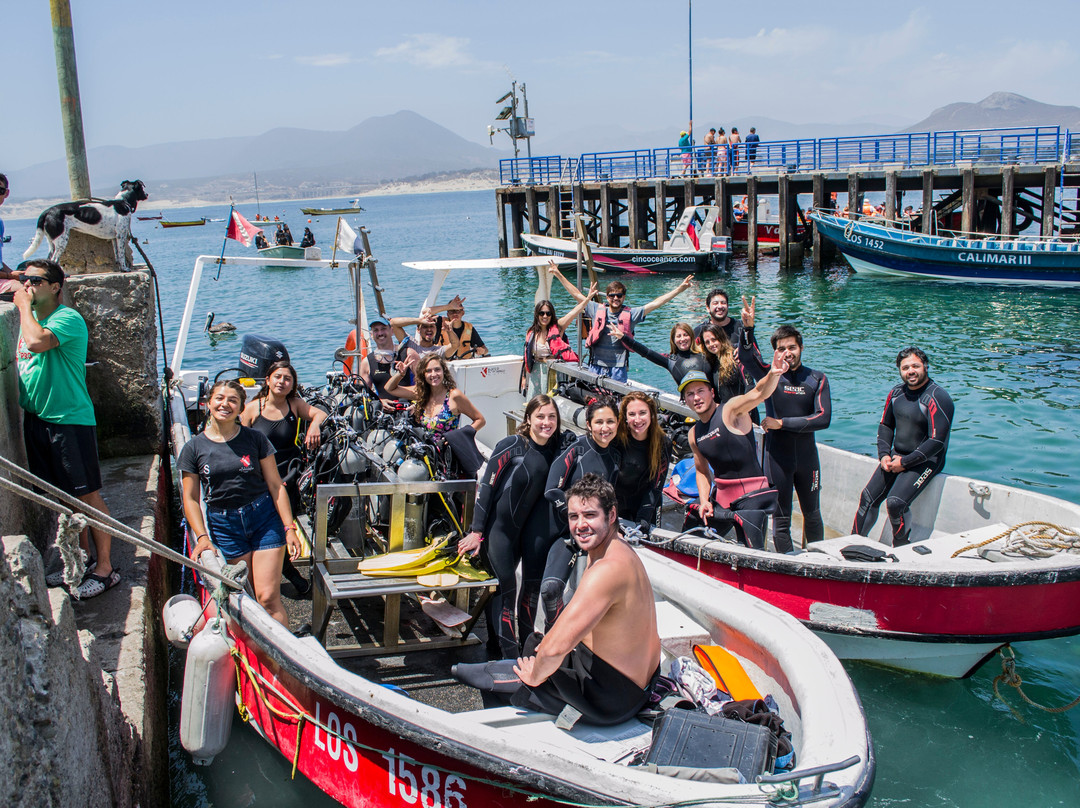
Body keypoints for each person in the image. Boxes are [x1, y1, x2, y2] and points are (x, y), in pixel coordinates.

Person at [15, 259, 118, 598]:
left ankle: (106, 569)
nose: (27, 285)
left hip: (68, 419)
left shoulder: (66, 318)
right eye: (24, 279)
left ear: (55, 286)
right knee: (63, 496)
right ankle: (81, 559)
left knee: (87, 495)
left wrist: (22, 305)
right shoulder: (31, 320)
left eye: (35, 281)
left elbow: (36, 343)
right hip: (38, 419)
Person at [181, 380, 300, 628]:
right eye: (219, 398)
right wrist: (202, 537)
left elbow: (276, 486)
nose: (225, 404)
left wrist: (289, 528)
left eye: (233, 400)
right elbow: (190, 498)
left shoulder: (255, 439)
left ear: (241, 408)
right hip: (225, 526)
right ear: (208, 403)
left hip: (264, 519)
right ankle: (256, 646)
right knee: (248, 597)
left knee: (268, 598)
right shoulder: (193, 448)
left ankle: (282, 651)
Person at [458, 395, 562, 658]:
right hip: (499, 532)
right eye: (540, 416)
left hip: (526, 535)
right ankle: (509, 658)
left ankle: (518, 650)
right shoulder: (512, 445)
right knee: (506, 592)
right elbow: (487, 486)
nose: (546, 422)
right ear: (528, 419)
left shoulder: (556, 448)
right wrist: (476, 531)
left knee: (526, 592)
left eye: (551, 417)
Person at [683, 352, 787, 550]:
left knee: (751, 553)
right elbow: (702, 471)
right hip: (722, 497)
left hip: (752, 497)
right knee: (690, 536)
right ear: (685, 401)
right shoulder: (694, 434)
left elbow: (758, 393)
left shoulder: (731, 410)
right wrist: (704, 501)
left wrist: (773, 374)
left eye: (700, 391)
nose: (696, 397)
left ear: (712, 392)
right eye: (690, 394)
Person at [240, 360, 327, 595]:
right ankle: (292, 577)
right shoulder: (252, 409)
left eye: (287, 379)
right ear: (268, 380)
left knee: (281, 527)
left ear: (292, 384)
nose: (282, 382)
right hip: (261, 477)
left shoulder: (294, 405)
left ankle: (284, 575)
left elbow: (320, 413)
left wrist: (314, 426)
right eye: (277, 377)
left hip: (289, 475)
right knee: (271, 528)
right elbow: (239, 442)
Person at [852, 347, 954, 547]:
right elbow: (886, 426)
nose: (911, 371)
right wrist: (883, 455)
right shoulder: (896, 393)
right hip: (896, 456)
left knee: (895, 503)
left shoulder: (938, 397)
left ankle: (900, 548)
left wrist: (905, 463)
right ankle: (852, 543)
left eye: (915, 366)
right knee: (867, 497)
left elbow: (937, 441)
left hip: (927, 460)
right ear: (899, 370)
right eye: (905, 368)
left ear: (925, 366)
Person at [538, 398, 621, 627]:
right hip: (565, 533)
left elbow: (610, 502)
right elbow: (552, 490)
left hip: (596, 536)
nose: (605, 428)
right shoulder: (577, 449)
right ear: (589, 424)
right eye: (599, 422)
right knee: (551, 590)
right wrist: (576, 521)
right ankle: (554, 634)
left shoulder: (615, 457)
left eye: (610, 421)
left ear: (617, 423)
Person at [549, 265, 692, 383]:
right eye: (612, 295)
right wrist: (558, 273)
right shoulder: (596, 309)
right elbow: (576, 295)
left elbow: (656, 303)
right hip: (595, 365)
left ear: (624, 297)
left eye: (619, 295)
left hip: (618, 369)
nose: (615, 298)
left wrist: (679, 289)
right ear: (607, 297)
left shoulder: (632, 314)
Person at [760, 326, 831, 551]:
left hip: (807, 459)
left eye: (792, 347)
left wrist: (782, 423)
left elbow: (823, 418)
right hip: (777, 459)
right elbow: (747, 356)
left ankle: (818, 561)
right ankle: (787, 562)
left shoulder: (816, 378)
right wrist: (748, 329)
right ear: (775, 352)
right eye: (781, 349)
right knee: (781, 520)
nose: (787, 353)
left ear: (801, 347)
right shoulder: (770, 378)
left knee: (813, 515)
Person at [521, 272, 593, 398]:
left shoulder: (558, 328)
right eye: (542, 313)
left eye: (548, 313)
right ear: (537, 314)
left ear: (552, 315)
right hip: (536, 373)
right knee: (535, 403)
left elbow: (573, 313)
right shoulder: (531, 332)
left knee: (553, 402)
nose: (545, 316)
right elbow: (526, 356)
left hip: (554, 372)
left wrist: (587, 299)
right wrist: (524, 378)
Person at [384, 352, 486, 438]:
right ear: (423, 374)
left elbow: (480, 420)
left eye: (437, 369)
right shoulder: (422, 393)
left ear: (443, 371)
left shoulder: (453, 396)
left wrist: (459, 436)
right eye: (428, 371)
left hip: (448, 452)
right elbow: (390, 389)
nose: (433, 374)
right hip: (427, 451)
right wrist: (400, 374)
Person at [615, 393, 673, 531]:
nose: (637, 419)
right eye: (632, 414)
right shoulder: (617, 440)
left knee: (645, 537)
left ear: (652, 414)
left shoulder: (663, 443)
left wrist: (643, 518)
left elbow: (656, 485)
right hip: (618, 503)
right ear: (625, 417)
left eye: (642, 413)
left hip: (648, 502)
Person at [609, 321, 713, 392]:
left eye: (686, 335)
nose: (682, 339)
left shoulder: (705, 354)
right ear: (673, 340)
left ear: (691, 336)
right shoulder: (671, 361)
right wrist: (623, 337)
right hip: (688, 405)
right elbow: (647, 352)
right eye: (678, 336)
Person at [353, 315, 415, 399]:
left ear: (392, 331)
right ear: (371, 335)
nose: (380, 333)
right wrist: (380, 402)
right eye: (376, 330)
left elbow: (423, 385)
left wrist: (414, 404)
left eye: (383, 329)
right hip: (382, 406)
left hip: (409, 404)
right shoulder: (367, 362)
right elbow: (364, 394)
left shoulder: (409, 354)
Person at [698, 324, 746, 405]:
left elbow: (750, 386)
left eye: (714, 339)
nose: (711, 344)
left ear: (721, 338)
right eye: (707, 342)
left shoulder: (736, 356)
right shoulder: (712, 363)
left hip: (744, 408)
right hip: (725, 410)